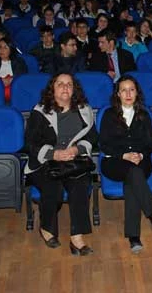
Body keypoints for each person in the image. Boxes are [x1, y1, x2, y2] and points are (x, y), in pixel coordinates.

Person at [24, 73, 97, 256]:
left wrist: (76, 150)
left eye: (69, 84)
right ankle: (47, 227)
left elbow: (92, 138)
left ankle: (77, 236)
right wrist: (53, 154)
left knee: (80, 185)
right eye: (60, 84)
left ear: (74, 89)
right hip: (45, 162)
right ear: (52, 89)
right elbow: (30, 143)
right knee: (53, 188)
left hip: (73, 161)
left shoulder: (84, 110)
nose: (65, 87)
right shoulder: (40, 111)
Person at [99, 76, 152, 253]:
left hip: (140, 161)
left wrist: (140, 154)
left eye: (131, 89)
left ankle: (134, 236)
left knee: (133, 177)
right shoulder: (109, 115)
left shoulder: (143, 115)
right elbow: (104, 145)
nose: (128, 94)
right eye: (123, 90)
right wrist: (124, 155)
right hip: (114, 161)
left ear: (137, 92)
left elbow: (149, 143)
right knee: (133, 175)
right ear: (118, 94)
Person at [0, 38, 28, 102]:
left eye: (5, 47)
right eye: (0, 47)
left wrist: (12, 80)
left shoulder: (19, 62)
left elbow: (23, 79)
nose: (2, 50)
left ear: (11, 49)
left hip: (15, 93)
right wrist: (0, 81)